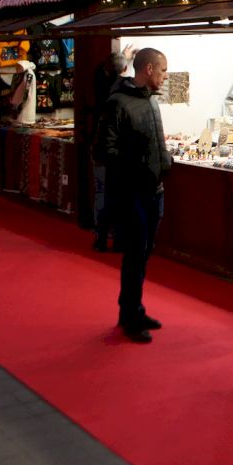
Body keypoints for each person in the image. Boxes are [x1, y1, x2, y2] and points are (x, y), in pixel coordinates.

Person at [95, 47, 171, 344]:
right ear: (149, 69)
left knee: (144, 252)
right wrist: (137, 169)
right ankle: (129, 315)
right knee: (135, 254)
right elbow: (104, 150)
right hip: (132, 193)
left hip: (153, 190)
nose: (166, 76)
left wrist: (164, 163)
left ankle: (134, 309)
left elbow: (155, 141)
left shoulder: (150, 101)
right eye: (163, 70)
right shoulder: (118, 103)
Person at [91, 52, 128, 252]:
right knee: (117, 197)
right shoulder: (123, 94)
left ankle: (101, 236)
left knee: (102, 195)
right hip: (115, 155)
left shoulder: (103, 91)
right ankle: (117, 237)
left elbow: (101, 73)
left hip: (102, 152)